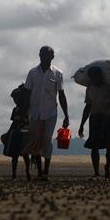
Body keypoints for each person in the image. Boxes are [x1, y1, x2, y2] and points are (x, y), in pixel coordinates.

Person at [25, 46, 69, 181]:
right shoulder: (32, 73)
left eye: (47, 55)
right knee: (36, 140)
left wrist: (66, 115)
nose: (44, 57)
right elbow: (27, 93)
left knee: (47, 140)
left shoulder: (58, 73)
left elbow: (61, 95)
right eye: (42, 54)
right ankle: (39, 172)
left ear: (52, 57)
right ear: (39, 56)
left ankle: (46, 171)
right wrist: (24, 111)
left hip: (51, 113)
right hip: (34, 112)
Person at [79, 66, 110, 181]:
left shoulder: (109, 86)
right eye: (93, 77)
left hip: (107, 118)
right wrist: (82, 124)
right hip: (95, 118)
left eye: (97, 76)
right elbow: (88, 107)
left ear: (101, 76)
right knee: (94, 147)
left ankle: (107, 169)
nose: (96, 79)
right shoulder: (90, 89)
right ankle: (96, 173)